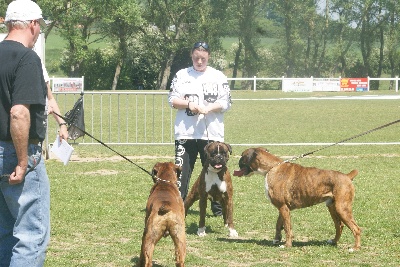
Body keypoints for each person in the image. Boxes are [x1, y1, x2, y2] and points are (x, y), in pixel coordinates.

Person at [0, 0, 66, 266]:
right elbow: (18, 113)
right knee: (31, 235)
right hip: (17, 154)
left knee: (4, 233)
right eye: (39, 26)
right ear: (33, 24)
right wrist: (23, 160)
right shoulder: (27, 58)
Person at [168, 41, 232, 216]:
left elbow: (227, 102)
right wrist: (190, 104)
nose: (200, 61)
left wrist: (209, 108)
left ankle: (218, 207)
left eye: (203, 58)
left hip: (211, 134)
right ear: (192, 56)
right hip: (185, 134)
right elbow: (172, 100)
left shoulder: (218, 76)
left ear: (208, 57)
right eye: (196, 58)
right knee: (181, 174)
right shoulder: (181, 75)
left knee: (217, 170)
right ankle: (179, 206)